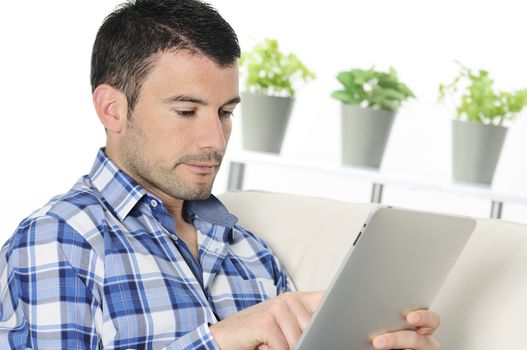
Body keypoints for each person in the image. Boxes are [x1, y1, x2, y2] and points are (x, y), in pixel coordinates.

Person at [0, 1, 440, 349]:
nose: (215, 139)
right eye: (186, 111)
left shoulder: (251, 253)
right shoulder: (57, 241)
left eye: (225, 112)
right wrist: (219, 341)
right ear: (113, 108)